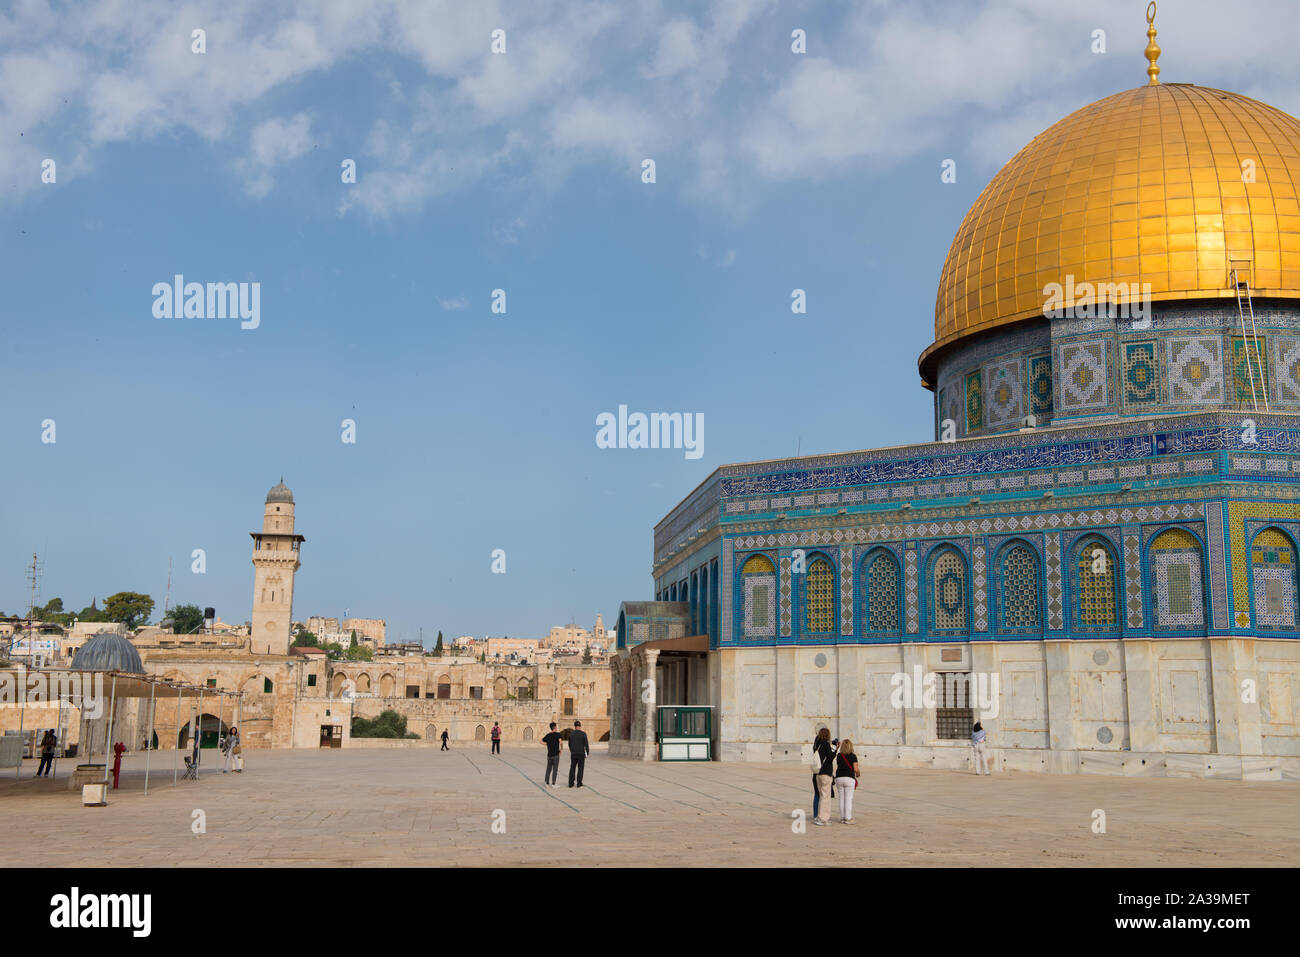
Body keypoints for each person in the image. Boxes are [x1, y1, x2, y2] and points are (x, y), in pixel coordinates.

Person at [812, 729, 837, 826]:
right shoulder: (825, 744)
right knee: (825, 797)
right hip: (825, 773)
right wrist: (835, 749)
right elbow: (830, 758)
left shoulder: (816, 744)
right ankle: (823, 818)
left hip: (817, 772)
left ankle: (818, 816)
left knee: (821, 795)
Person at [834, 739, 860, 823]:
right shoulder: (853, 756)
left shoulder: (839, 755)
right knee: (848, 799)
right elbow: (856, 769)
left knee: (841, 798)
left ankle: (842, 818)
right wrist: (858, 774)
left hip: (839, 778)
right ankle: (848, 818)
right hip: (849, 778)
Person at [567, 719, 590, 787]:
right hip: (581, 754)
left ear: (575, 726)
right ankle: (579, 783)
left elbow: (569, 744)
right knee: (580, 768)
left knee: (572, 768)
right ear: (580, 726)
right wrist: (587, 753)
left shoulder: (571, 734)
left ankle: (571, 783)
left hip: (573, 753)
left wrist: (572, 750)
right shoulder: (583, 734)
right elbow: (586, 744)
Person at [541, 722, 563, 786]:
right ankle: (553, 784)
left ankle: (547, 783)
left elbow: (541, 741)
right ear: (555, 727)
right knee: (555, 770)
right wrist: (561, 749)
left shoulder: (548, 735)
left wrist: (546, 744)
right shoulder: (558, 734)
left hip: (549, 755)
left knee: (548, 769)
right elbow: (561, 742)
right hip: (556, 755)